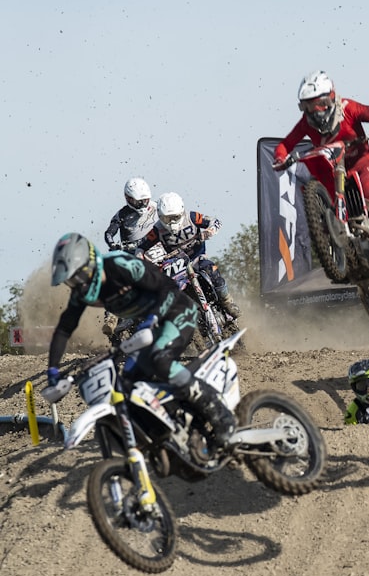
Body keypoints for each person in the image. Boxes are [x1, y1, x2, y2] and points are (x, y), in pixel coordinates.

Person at [46, 233, 235, 457]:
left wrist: (151, 319)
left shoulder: (120, 265)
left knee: (160, 360)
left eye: (79, 277)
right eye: (71, 281)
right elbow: (64, 329)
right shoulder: (81, 294)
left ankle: (221, 415)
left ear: (89, 262)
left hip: (177, 313)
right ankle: (168, 432)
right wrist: (53, 371)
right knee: (127, 384)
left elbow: (167, 287)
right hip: (152, 328)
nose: (77, 285)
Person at [271, 70, 369, 266]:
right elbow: (285, 144)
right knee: (312, 192)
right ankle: (331, 242)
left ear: (331, 97)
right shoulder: (306, 123)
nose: (316, 111)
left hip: (360, 162)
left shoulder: (348, 108)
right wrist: (280, 158)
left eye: (320, 104)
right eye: (309, 106)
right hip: (332, 170)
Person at [137, 192, 241, 319]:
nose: (171, 222)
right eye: (167, 218)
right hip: (177, 267)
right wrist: (140, 258)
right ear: (160, 215)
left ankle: (227, 301)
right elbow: (141, 247)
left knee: (213, 271)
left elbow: (215, 221)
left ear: (181, 212)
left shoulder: (192, 217)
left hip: (198, 258)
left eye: (175, 217)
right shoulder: (157, 229)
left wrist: (209, 231)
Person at [101, 177, 158, 336]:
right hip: (131, 253)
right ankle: (111, 318)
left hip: (157, 249)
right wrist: (113, 244)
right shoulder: (122, 214)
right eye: (139, 201)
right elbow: (109, 233)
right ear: (129, 199)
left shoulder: (157, 207)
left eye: (145, 200)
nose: (143, 204)